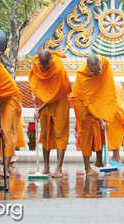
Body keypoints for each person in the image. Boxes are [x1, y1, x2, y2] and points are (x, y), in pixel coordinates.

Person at [70, 55, 117, 176]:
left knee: (99, 128)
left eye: (98, 71)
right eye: (93, 72)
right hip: (81, 100)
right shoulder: (82, 74)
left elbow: (108, 86)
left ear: (101, 64)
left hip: (98, 97)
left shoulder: (105, 63)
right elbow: (88, 101)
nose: (96, 74)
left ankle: (99, 160)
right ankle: (87, 168)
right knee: (86, 131)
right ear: (87, 67)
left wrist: (104, 114)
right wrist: (101, 118)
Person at [28, 49, 71, 178]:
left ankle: (58, 168)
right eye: (42, 66)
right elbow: (35, 80)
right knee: (45, 132)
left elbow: (55, 94)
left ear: (51, 60)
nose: (44, 68)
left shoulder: (57, 69)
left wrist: (39, 109)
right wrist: (34, 93)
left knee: (60, 133)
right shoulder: (36, 63)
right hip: (43, 99)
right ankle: (46, 167)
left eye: (47, 66)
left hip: (59, 99)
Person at [106, 81, 124, 163]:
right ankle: (116, 156)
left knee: (113, 135)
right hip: (120, 110)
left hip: (113, 111)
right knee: (116, 134)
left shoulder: (106, 84)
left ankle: (116, 157)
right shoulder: (118, 84)